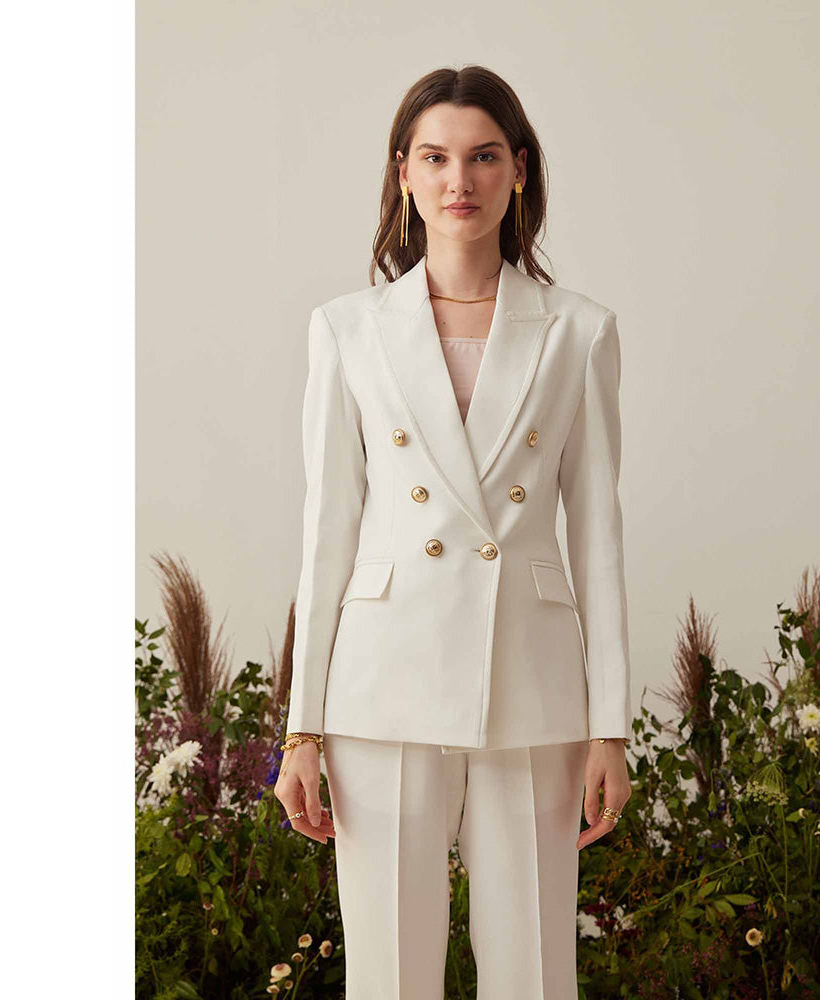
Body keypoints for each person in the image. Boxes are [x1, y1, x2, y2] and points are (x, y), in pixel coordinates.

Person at [275, 64, 632, 999]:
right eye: (434, 157)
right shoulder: (346, 329)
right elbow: (327, 533)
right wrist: (302, 729)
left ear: (519, 170)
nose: (458, 180)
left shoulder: (579, 332)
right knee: (389, 976)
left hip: (531, 684)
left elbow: (598, 539)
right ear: (403, 172)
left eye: (483, 156)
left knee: (536, 972)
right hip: (381, 683)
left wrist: (611, 726)